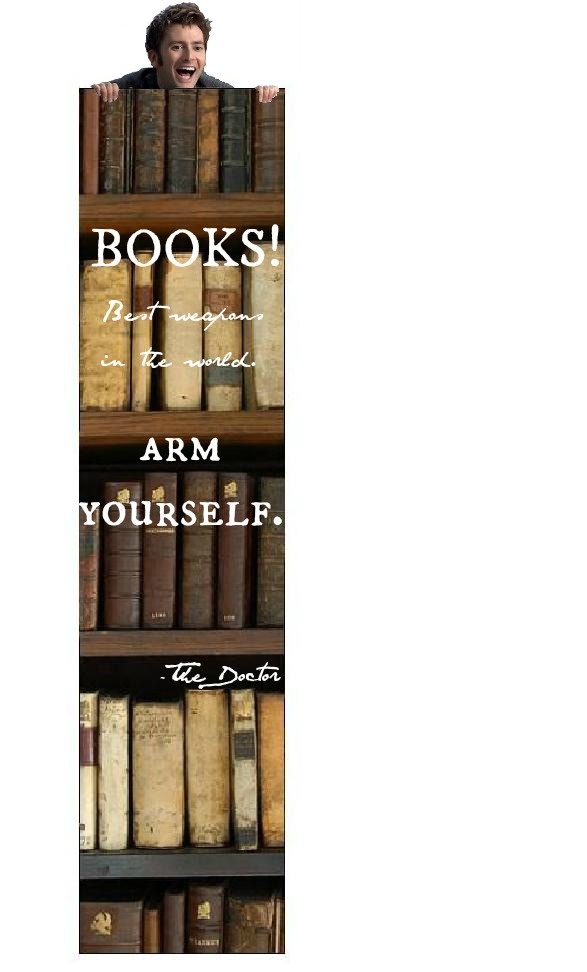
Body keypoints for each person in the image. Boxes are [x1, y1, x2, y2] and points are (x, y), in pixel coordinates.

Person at [92, 3, 279, 103]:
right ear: (154, 58)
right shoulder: (126, 89)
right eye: (177, 47)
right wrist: (98, 95)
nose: (189, 57)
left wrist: (263, 98)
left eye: (197, 47)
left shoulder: (223, 94)